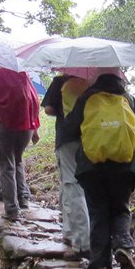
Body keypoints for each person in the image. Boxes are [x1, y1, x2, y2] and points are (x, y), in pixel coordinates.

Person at [58, 70, 135, 269]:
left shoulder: (87, 98)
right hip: (125, 167)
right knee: (120, 209)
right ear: (121, 79)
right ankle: (123, 246)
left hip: (92, 167)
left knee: (98, 213)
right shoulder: (130, 101)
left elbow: (70, 128)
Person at [40, 70, 92, 258]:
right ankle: (69, 233)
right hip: (91, 138)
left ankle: (82, 242)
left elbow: (48, 109)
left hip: (67, 137)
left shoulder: (60, 81)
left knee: (71, 185)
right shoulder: (91, 81)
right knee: (82, 185)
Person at [0, 65, 40, 220]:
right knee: (18, 160)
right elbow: (34, 100)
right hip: (26, 126)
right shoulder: (24, 75)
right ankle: (23, 199)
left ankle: (12, 210)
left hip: (4, 125)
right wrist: (35, 127)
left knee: (7, 165)